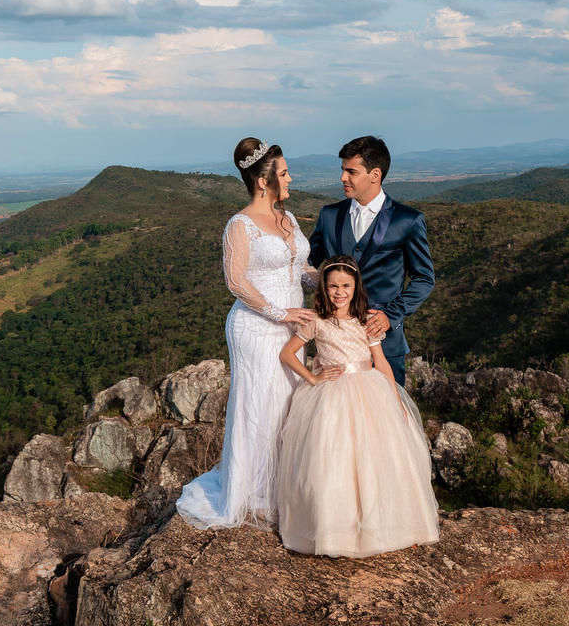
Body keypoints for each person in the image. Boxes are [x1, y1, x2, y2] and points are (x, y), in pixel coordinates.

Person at [176, 138, 316, 530]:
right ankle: (253, 493)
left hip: (293, 327)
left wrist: (336, 279)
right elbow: (236, 282)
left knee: (288, 403)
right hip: (256, 327)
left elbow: (298, 269)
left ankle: (280, 488)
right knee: (259, 405)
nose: (290, 178)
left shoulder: (288, 219)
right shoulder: (239, 225)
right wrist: (281, 312)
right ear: (262, 181)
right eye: (284, 173)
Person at [276, 255, 440, 558]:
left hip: (369, 390)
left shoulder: (366, 319)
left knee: (373, 459)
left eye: (346, 286)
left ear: (356, 286)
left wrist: (394, 398)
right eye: (333, 286)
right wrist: (313, 377)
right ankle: (336, 531)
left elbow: (381, 363)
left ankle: (380, 527)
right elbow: (287, 354)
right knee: (332, 462)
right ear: (324, 288)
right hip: (331, 396)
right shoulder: (316, 320)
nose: (339, 292)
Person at [308, 136, 435, 387]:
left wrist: (390, 315)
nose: (343, 178)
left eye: (351, 171)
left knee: (388, 421)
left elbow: (424, 278)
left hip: (384, 343)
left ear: (375, 174)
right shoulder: (329, 215)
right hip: (337, 348)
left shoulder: (407, 220)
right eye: (343, 170)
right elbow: (307, 261)